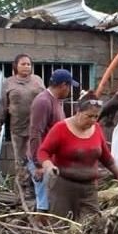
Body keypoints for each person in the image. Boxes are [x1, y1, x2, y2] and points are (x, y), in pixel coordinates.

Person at [36, 95, 118, 221]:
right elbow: (43, 151)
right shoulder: (60, 128)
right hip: (63, 187)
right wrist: (48, 166)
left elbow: (106, 157)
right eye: (89, 116)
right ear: (78, 112)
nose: (93, 120)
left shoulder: (96, 129)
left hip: (89, 188)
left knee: (92, 225)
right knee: (62, 225)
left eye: (96, 116)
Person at [27, 69, 77, 213]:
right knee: (44, 201)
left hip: (50, 158)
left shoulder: (55, 101)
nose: (69, 90)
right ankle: (41, 232)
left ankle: (46, 228)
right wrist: (39, 164)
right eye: (69, 86)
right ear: (63, 85)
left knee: (51, 198)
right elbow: (35, 132)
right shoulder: (43, 101)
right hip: (42, 159)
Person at [0, 54, 44, 189]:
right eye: (23, 64)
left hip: (37, 127)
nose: (26, 67)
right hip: (18, 128)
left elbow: (46, 100)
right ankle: (23, 189)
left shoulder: (37, 81)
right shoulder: (9, 83)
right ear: (15, 66)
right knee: (21, 160)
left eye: (29, 64)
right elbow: (3, 105)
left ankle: (37, 187)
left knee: (37, 157)